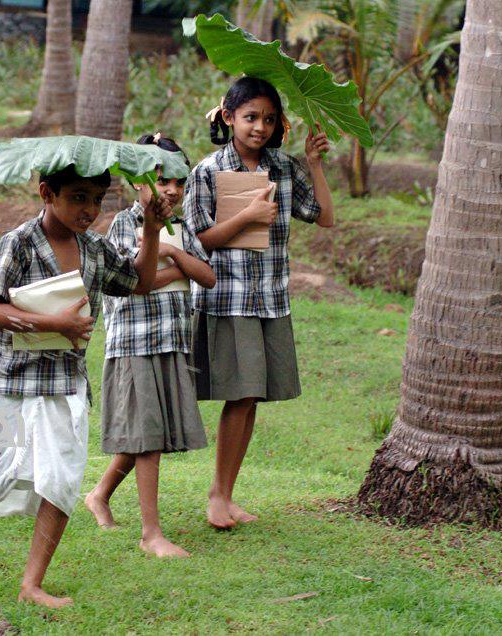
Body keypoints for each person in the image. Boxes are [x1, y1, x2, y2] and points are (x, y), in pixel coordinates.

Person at [0, 165, 173, 608]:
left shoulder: (93, 247)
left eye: (96, 199)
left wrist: (151, 230)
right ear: (46, 193)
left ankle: (32, 585)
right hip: (10, 383)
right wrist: (53, 322)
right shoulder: (16, 244)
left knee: (61, 480)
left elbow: (140, 282)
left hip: (64, 382)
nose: (89, 210)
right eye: (78, 198)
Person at [182, 77, 334, 529]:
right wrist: (247, 215)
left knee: (250, 399)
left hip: (270, 298)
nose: (260, 127)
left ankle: (225, 495)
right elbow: (196, 244)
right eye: (250, 117)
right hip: (227, 298)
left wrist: (314, 164)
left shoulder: (285, 169)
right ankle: (217, 496)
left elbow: (325, 218)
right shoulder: (208, 171)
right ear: (228, 117)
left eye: (269, 119)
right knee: (242, 394)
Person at [84, 133, 216, 558]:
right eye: (162, 180)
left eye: (179, 180)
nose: (172, 189)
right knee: (148, 436)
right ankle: (151, 534)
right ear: (137, 183)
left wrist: (175, 260)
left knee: (148, 431)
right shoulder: (124, 225)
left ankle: (100, 495)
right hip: (135, 342)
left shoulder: (184, 226)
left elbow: (207, 275)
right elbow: (134, 285)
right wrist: (177, 270)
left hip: (172, 339)